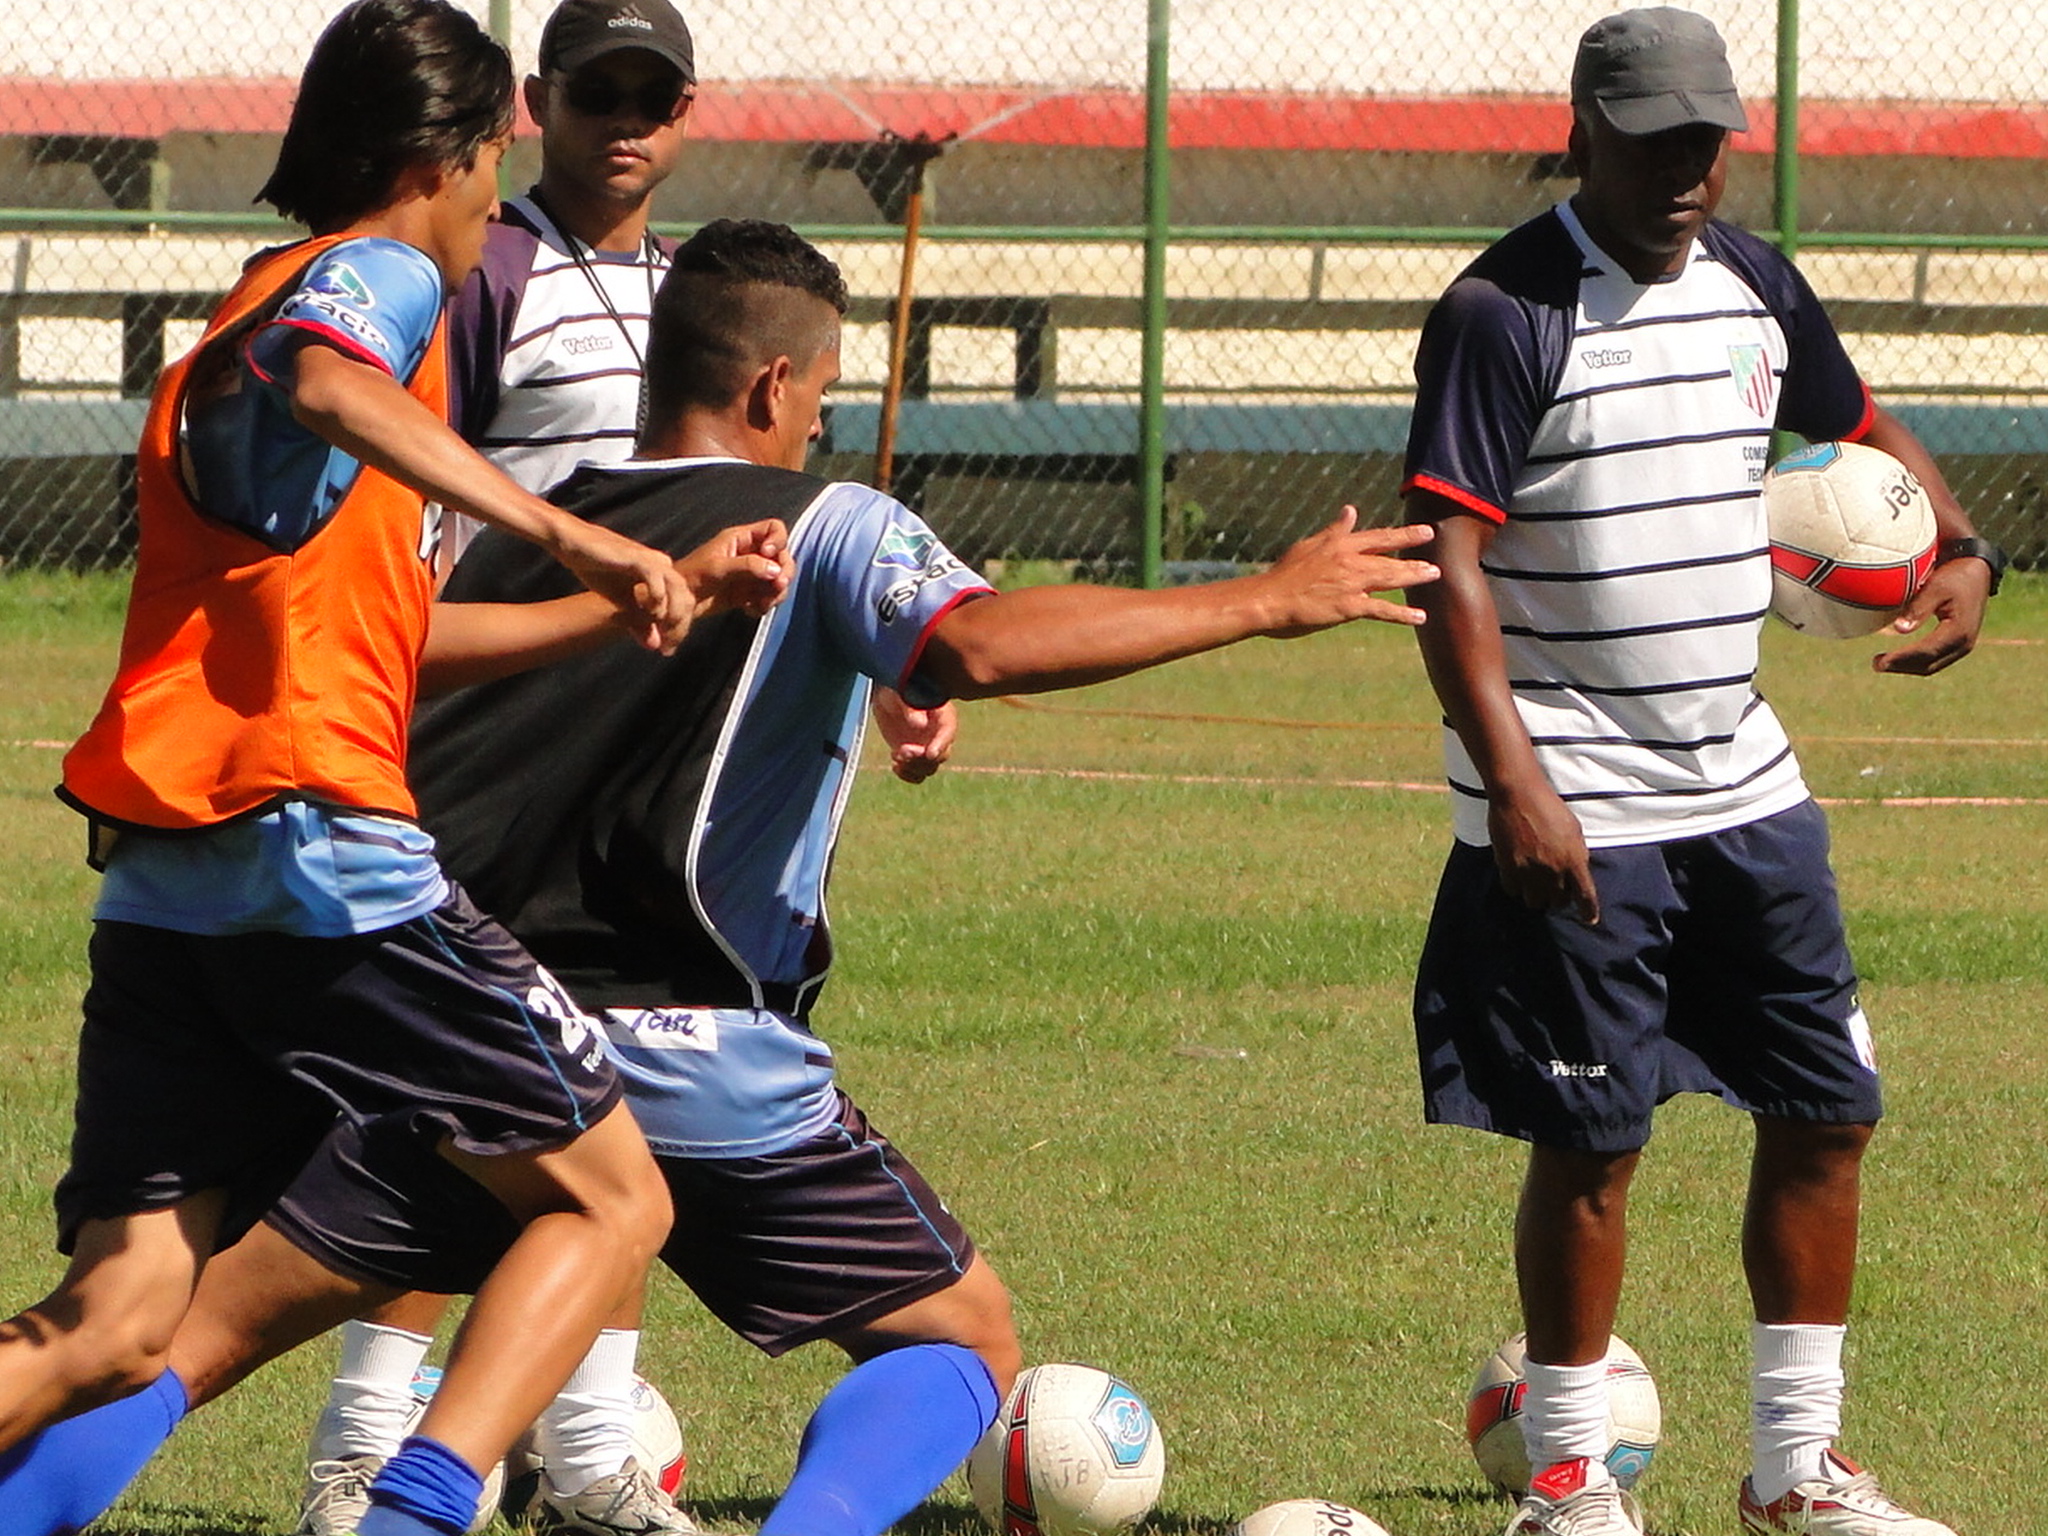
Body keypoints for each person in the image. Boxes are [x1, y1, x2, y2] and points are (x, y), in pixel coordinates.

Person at [0, 217, 1439, 1536]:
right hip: (705, 1067)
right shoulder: (824, 520)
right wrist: (1263, 599)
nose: (816, 419)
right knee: (962, 1344)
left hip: (471, 1039)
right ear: (770, 387)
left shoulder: (518, 525)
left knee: (181, 1338)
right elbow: (981, 645)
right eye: (817, 394)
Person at [0, 6, 789, 1536]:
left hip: (174, 877)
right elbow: (328, 384)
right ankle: (409, 1513)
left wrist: (631, 589)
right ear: (438, 156)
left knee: (116, 1320)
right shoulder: (375, 278)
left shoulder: (249, 305)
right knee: (614, 1200)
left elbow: (384, 629)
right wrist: (569, 524)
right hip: (320, 854)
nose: (501, 193)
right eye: (495, 155)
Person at [295, 5, 941, 1531]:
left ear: (692, 111)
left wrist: (883, 675)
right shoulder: (483, 268)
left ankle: (591, 1455)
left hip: (672, 701)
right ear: (542, 104)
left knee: (613, 1088)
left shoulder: (702, 285)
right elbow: (395, 467)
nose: (626, 124)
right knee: (466, 1096)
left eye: (656, 97)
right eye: (598, 94)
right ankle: (365, 1445)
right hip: (512, 703)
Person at [1402, 11, 1994, 1536]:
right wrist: (1516, 780)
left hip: (1742, 782)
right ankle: (1569, 1483)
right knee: (1594, 1142)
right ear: (1583, 128)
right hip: (1579, 786)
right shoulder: (1502, 308)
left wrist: (1970, 545)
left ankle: (1798, 1473)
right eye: (1656, 138)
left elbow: (1855, 425)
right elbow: (1448, 561)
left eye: (1706, 139)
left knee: (1829, 1106)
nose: (1686, 169)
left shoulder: (1753, 279)